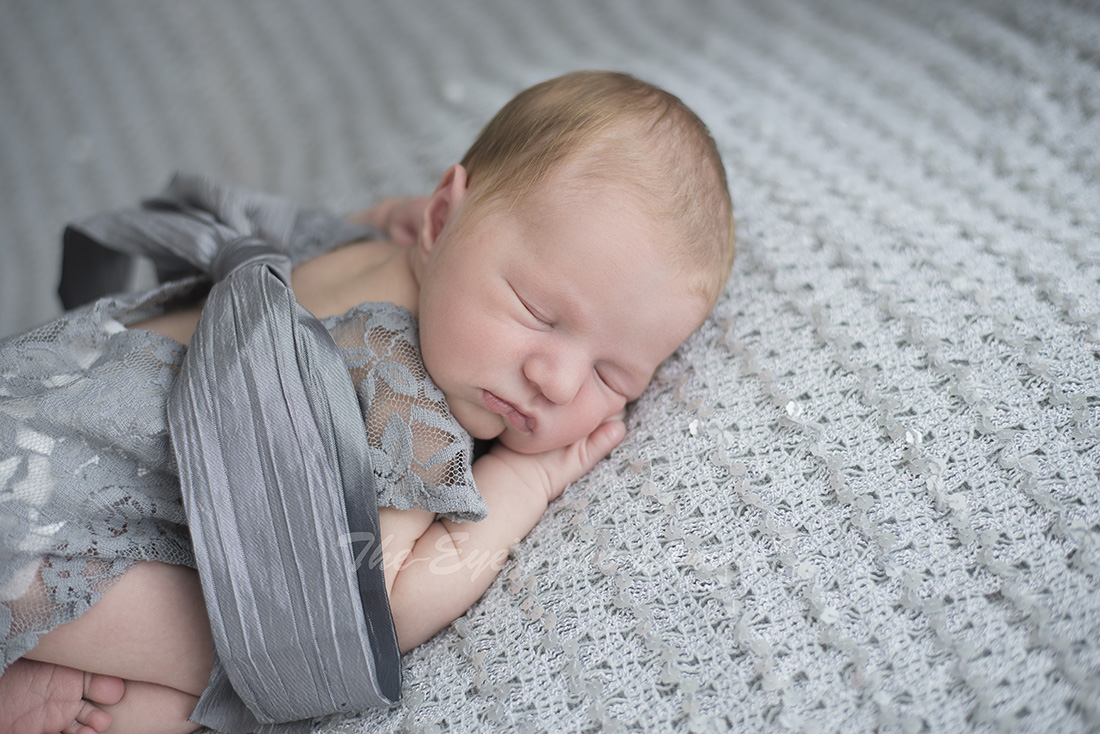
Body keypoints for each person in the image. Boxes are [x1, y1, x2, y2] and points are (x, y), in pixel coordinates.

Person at [0, 70, 734, 734]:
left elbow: (369, 224)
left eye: (614, 377)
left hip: (43, 396)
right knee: (279, 646)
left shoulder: (347, 245)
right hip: (46, 522)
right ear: (442, 220)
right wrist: (524, 484)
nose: (560, 381)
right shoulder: (406, 399)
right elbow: (376, 609)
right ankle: (122, 691)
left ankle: (55, 674)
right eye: (539, 312)